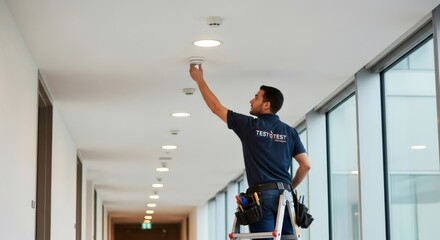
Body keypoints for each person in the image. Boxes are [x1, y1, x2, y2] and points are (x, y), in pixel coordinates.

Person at [189, 64, 311, 238]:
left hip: (263, 196)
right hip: (286, 197)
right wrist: (289, 188)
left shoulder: (250, 126)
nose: (251, 101)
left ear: (266, 105)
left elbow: (216, 108)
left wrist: (199, 80)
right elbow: (305, 165)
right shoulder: (290, 132)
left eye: (256, 97)